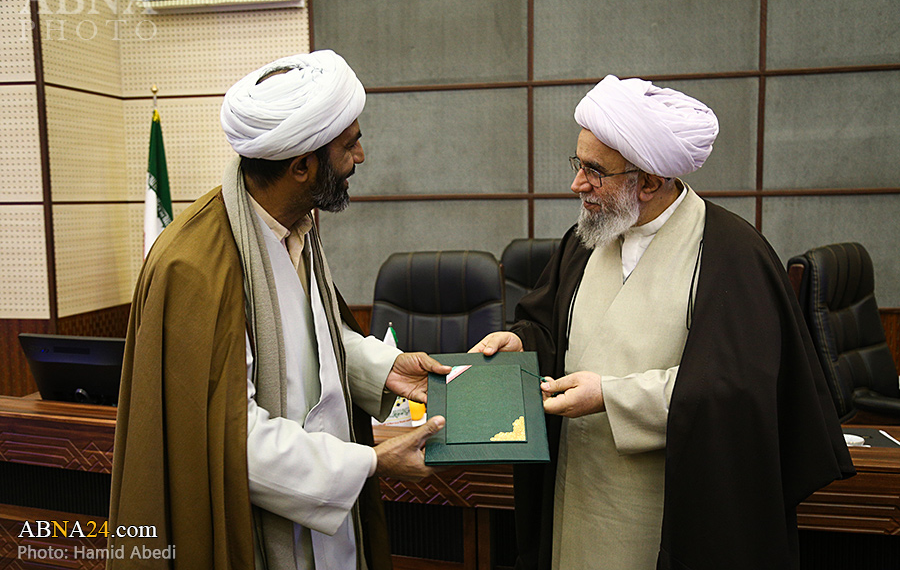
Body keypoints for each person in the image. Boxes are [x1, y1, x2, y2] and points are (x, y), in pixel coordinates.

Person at [471, 75, 854, 570]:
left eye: (594, 171)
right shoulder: (585, 241)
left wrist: (612, 397)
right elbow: (550, 331)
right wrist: (520, 343)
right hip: (575, 495)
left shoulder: (732, 254)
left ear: (649, 181)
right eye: (578, 164)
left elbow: (738, 392)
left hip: (671, 512)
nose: (576, 184)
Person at [108, 50, 449, 570]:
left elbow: (310, 339)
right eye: (349, 144)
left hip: (329, 519)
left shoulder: (295, 223)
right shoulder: (193, 265)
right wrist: (370, 462)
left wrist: (384, 370)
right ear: (301, 166)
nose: (361, 157)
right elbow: (229, 438)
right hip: (254, 535)